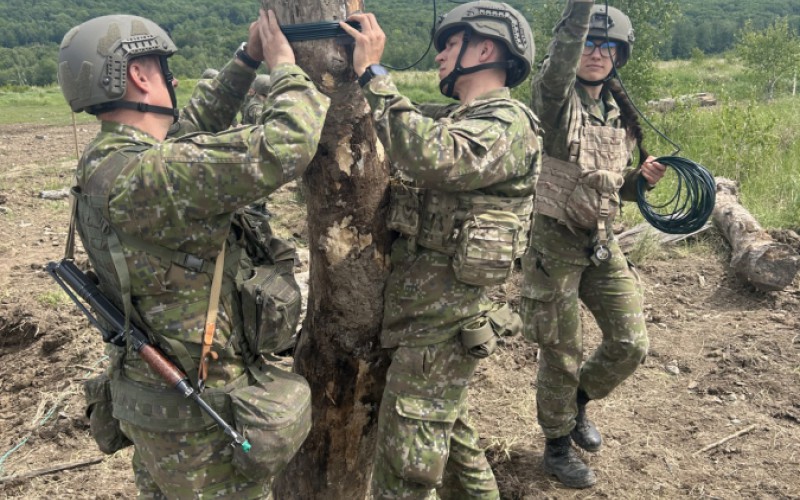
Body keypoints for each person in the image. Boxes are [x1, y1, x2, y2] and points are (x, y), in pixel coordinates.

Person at [57, 9, 329, 498]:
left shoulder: (110, 163)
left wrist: (246, 60)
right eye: (163, 68)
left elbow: (189, 132)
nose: (174, 78)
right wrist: (285, 66)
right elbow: (287, 142)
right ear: (139, 75)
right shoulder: (154, 176)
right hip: (203, 427)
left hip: (153, 405)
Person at [340, 3, 540, 498]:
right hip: (425, 323)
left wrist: (375, 74)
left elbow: (433, 156)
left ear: (486, 48)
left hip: (440, 329)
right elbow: (416, 132)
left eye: (451, 44)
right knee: (452, 441)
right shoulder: (461, 117)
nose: (440, 55)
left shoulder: (508, 123)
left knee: (405, 471)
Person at [520, 0, 667, 489]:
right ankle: (557, 445)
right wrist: (580, 11)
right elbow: (557, 66)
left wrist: (636, 181)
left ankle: (578, 400)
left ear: (619, 54)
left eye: (606, 45)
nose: (595, 52)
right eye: (588, 43)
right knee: (560, 351)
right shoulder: (557, 102)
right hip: (553, 246)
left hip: (601, 243)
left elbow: (605, 184)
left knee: (631, 344)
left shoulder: (618, 112)